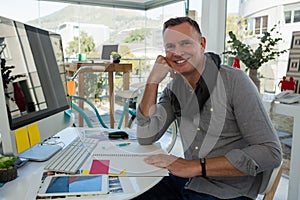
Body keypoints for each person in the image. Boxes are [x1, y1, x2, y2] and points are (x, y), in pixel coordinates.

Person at [134, 17, 282, 200]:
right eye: (170, 47)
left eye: (185, 43)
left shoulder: (234, 81)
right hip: (190, 181)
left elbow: (271, 152)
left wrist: (196, 166)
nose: (177, 52)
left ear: (202, 44)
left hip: (227, 192)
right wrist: (152, 82)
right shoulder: (174, 89)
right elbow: (146, 135)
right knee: (134, 192)